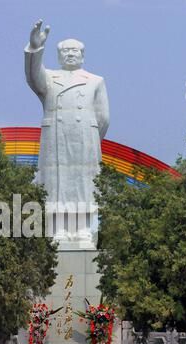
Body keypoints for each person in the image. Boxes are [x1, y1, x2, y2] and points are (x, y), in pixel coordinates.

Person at [24, 19, 110, 242]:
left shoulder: (95, 81)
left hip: (84, 140)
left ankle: (82, 229)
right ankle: (59, 228)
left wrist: (90, 138)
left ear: (82, 55)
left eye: (74, 51)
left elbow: (103, 118)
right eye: (65, 51)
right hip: (56, 140)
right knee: (57, 183)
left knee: (83, 183)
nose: (70, 54)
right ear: (59, 55)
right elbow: (33, 77)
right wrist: (35, 48)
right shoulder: (50, 78)